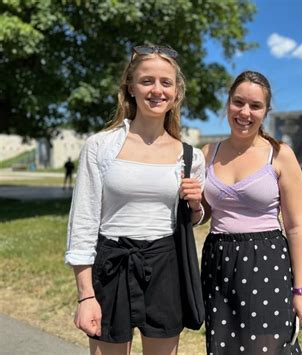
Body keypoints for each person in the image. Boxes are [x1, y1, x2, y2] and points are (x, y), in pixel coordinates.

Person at [65, 44, 205, 355]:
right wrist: (86, 295)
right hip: (112, 263)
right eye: (147, 81)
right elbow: (83, 223)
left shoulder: (190, 156)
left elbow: (193, 218)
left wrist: (196, 205)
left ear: (177, 91)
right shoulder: (100, 146)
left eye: (166, 82)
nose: (157, 90)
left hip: (165, 265)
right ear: (130, 87)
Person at [200, 71, 302, 354]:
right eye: (238, 102)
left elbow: (296, 227)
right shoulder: (207, 153)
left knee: (266, 346)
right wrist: (191, 202)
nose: (245, 112)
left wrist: (301, 290)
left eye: (255, 106)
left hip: (265, 260)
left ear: (266, 111)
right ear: (227, 104)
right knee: (223, 346)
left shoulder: (279, 155)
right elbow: (201, 215)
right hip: (218, 260)